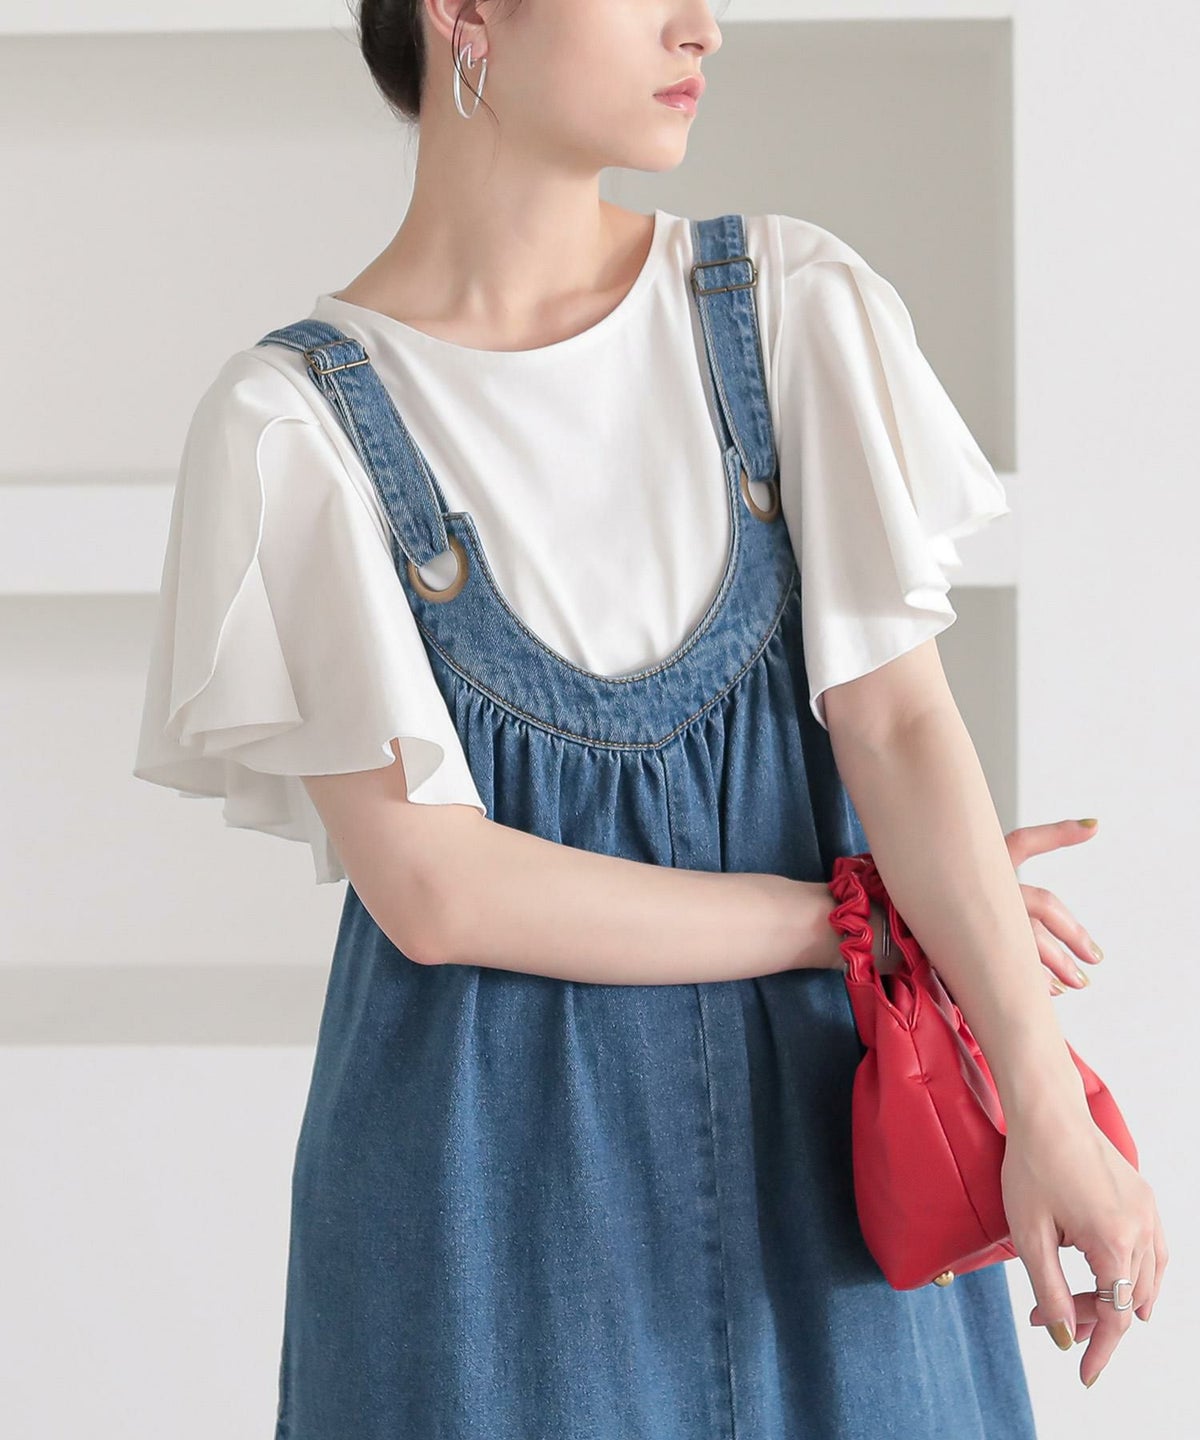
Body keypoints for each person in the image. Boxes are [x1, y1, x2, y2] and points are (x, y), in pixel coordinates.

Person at [132, 1, 1166, 1435]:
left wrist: (1043, 1103)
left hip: (835, 1158)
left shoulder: (790, 305)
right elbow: (436, 888)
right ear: (463, 11)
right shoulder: (293, 423)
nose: (703, 29)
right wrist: (853, 919)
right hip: (485, 1205)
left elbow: (899, 725)